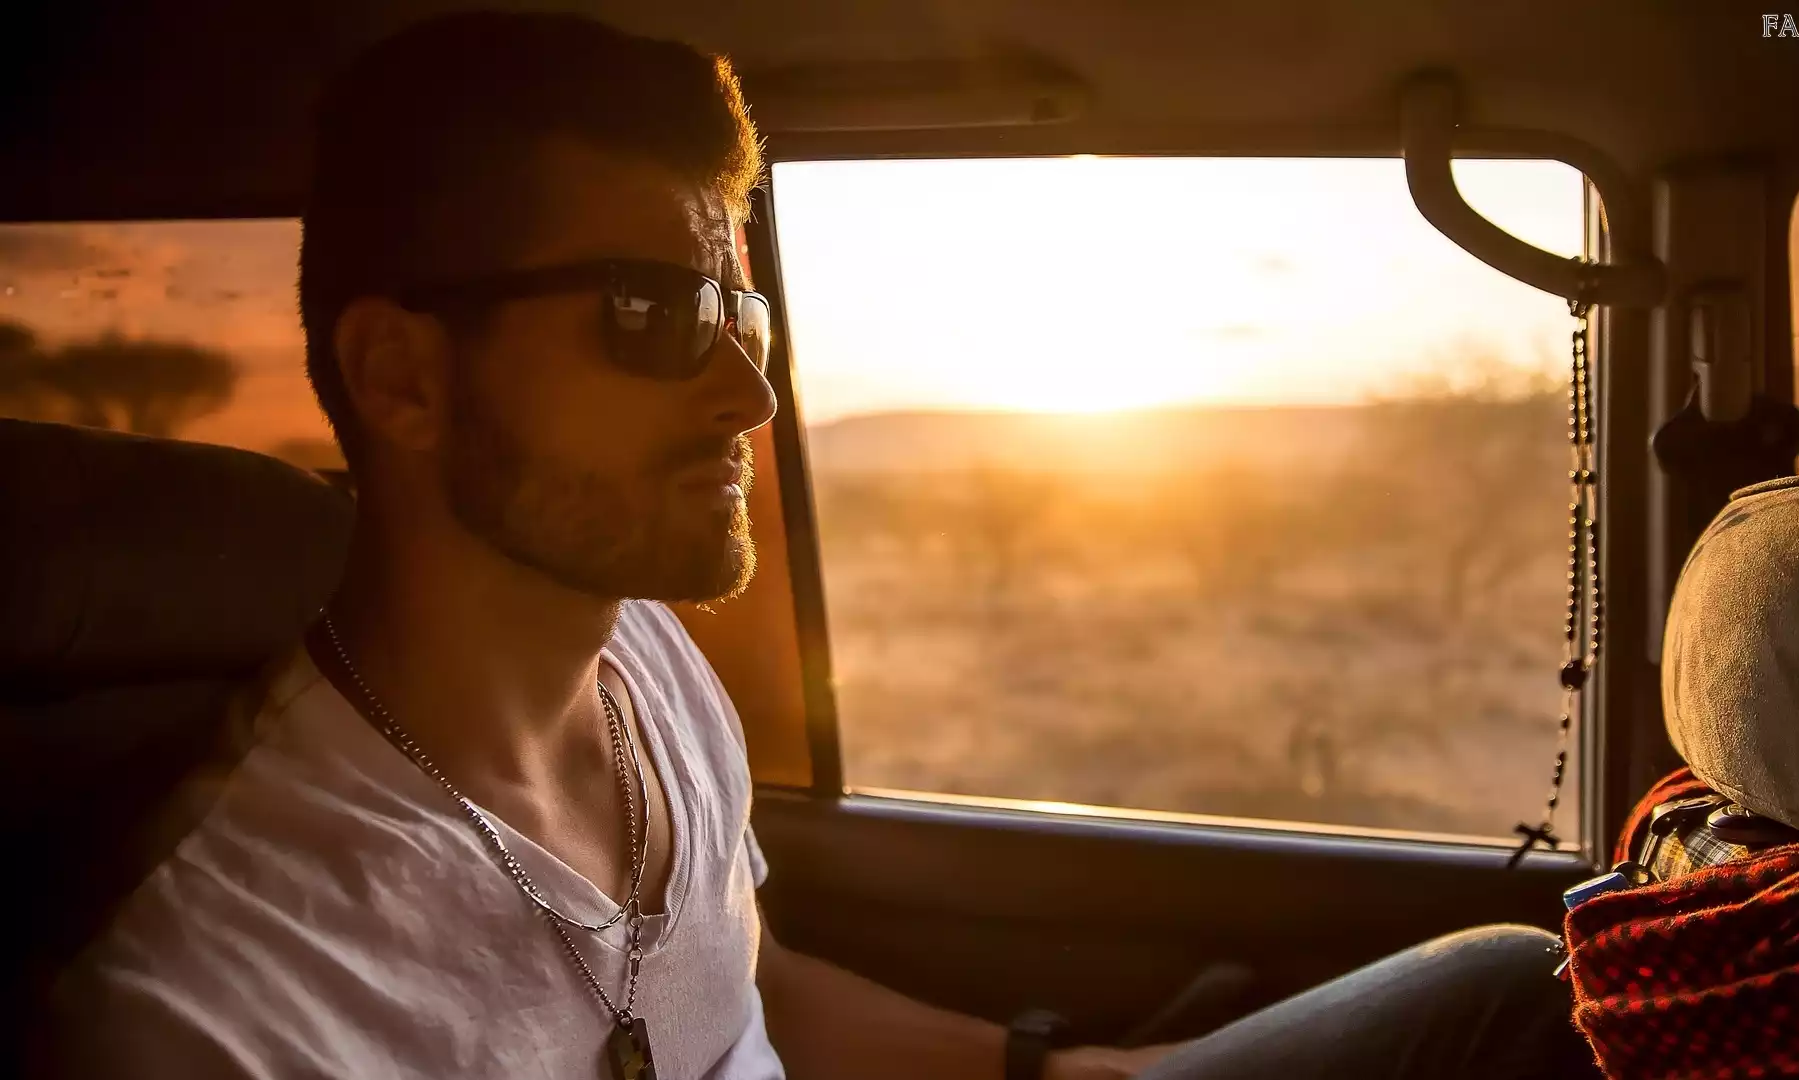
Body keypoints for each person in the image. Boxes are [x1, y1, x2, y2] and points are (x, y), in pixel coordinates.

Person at [38, 12, 1599, 1080]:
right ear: (403, 377)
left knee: (1514, 987)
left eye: (741, 311)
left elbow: (743, 982)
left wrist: (1057, 1069)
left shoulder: (642, 659)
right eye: (649, 315)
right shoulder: (223, 1004)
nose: (748, 392)